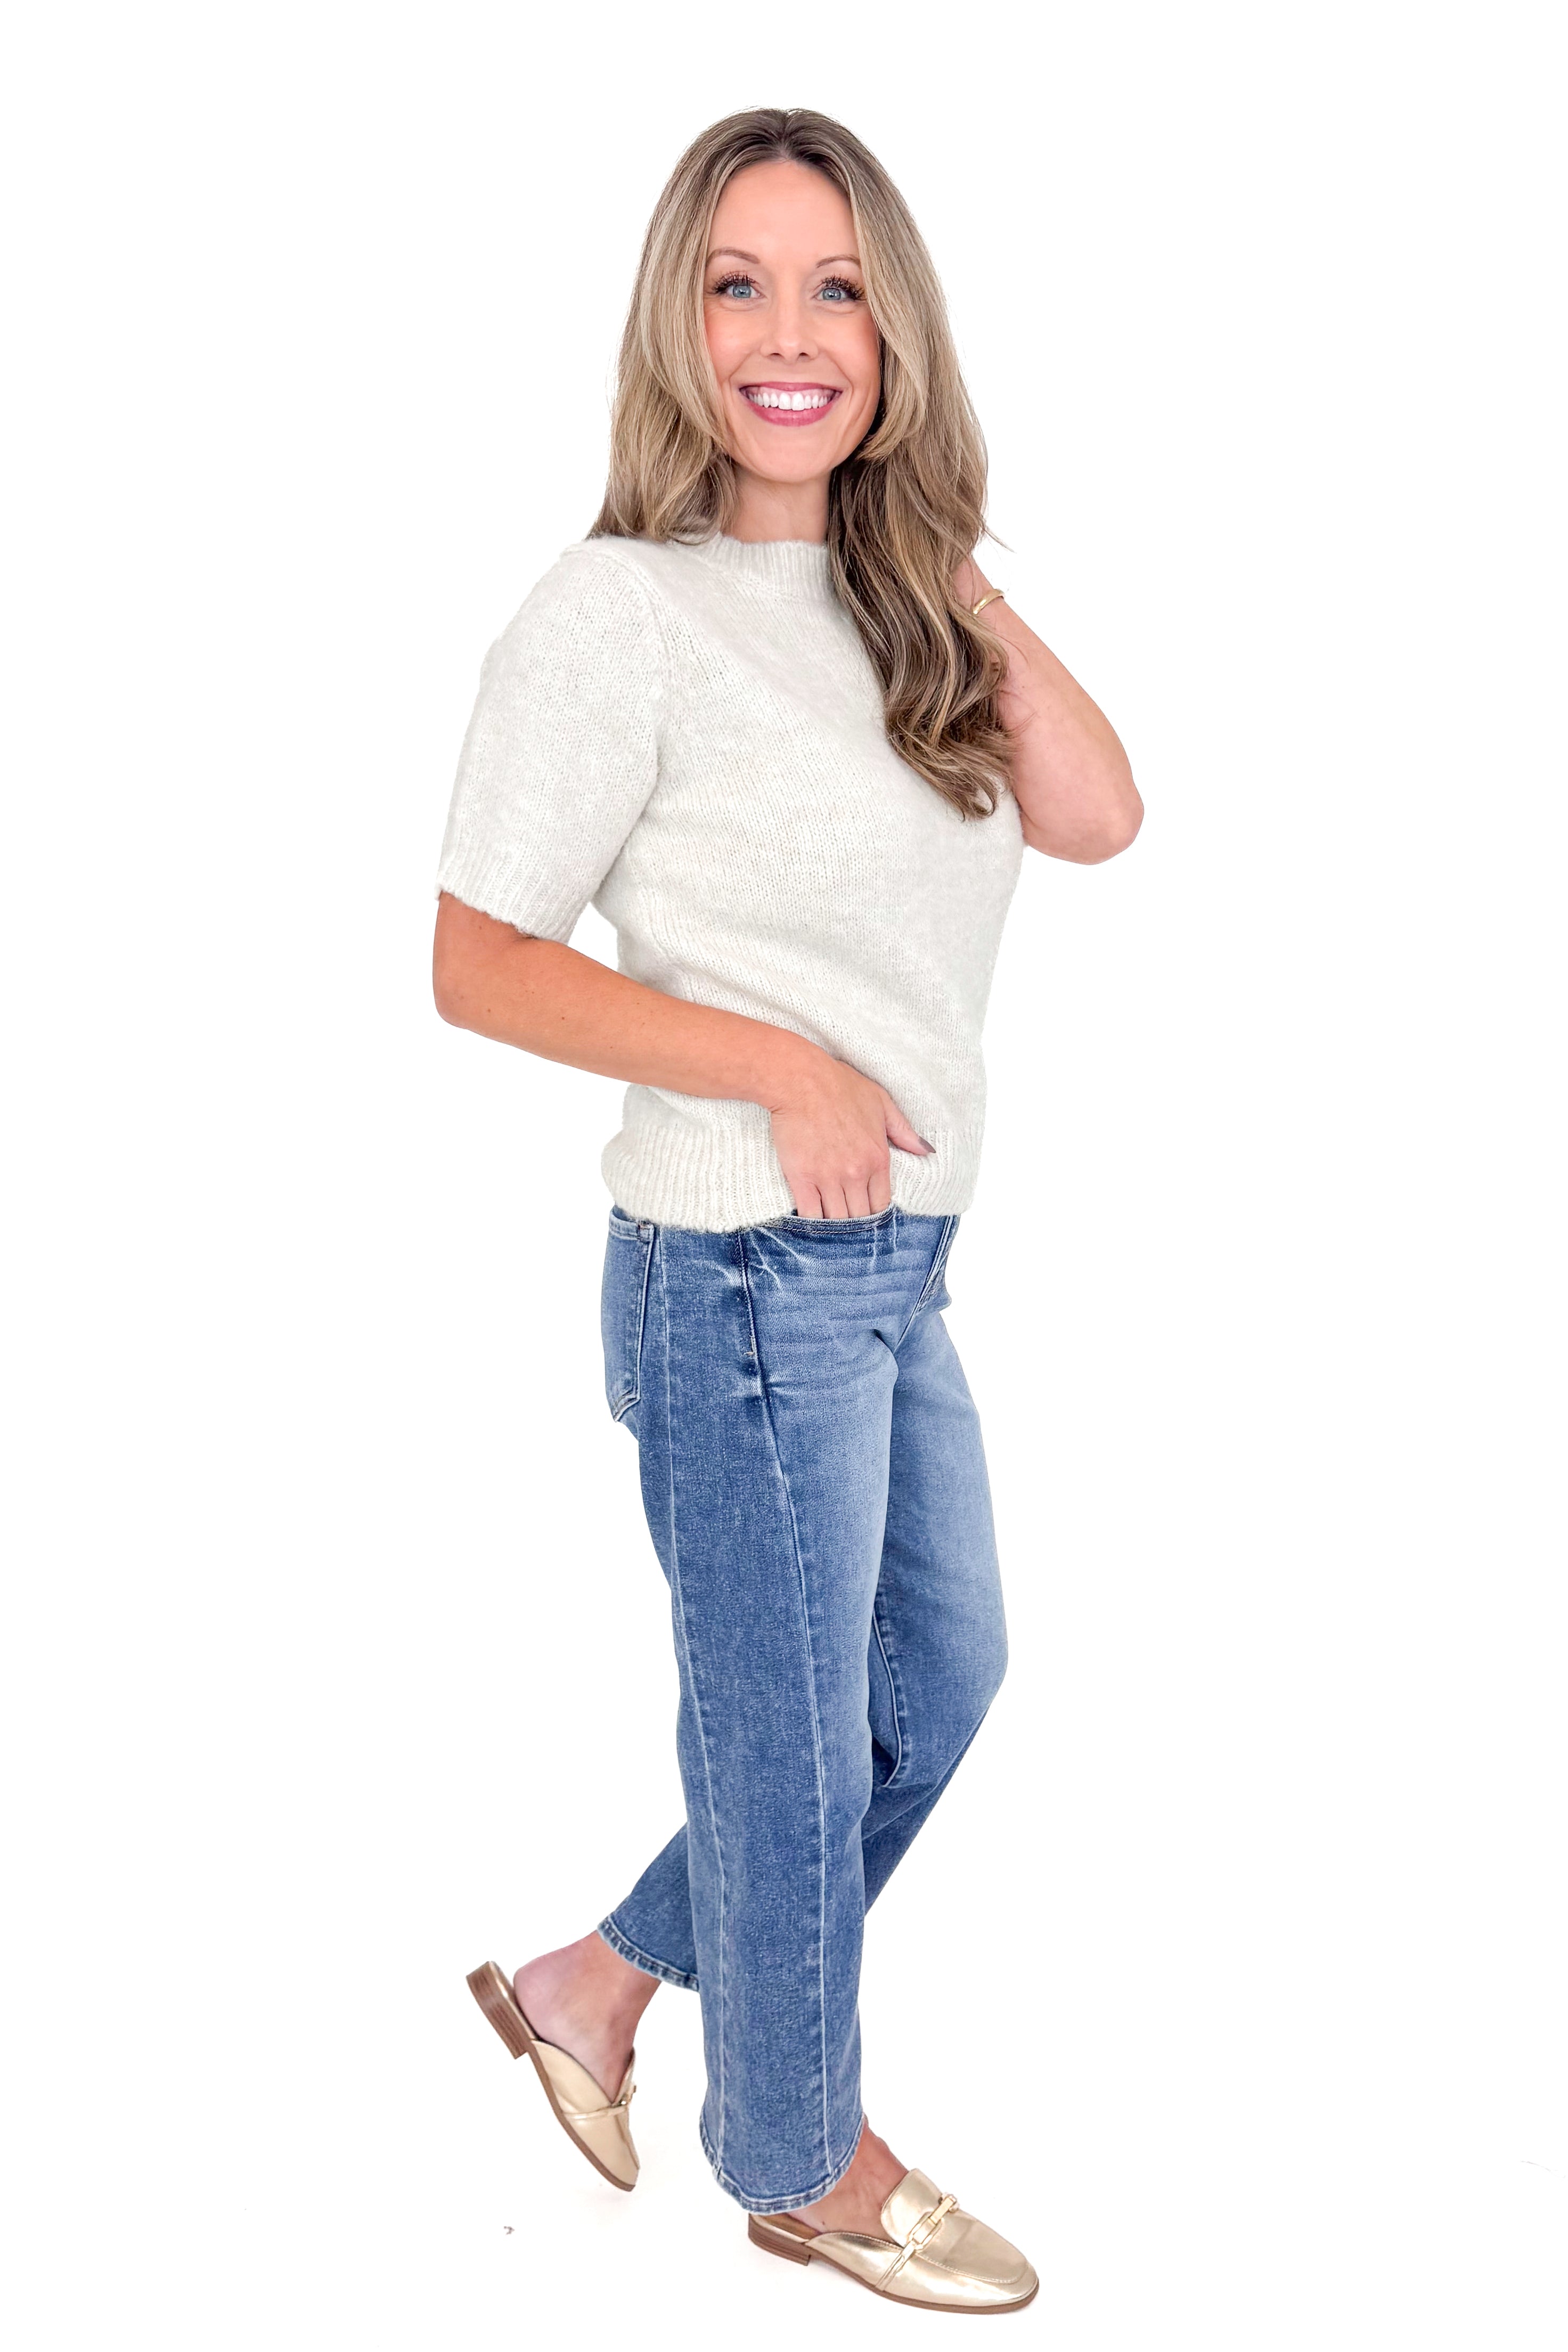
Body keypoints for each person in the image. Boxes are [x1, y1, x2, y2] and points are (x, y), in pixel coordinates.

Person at [434, 107, 1140, 2316]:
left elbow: (1100, 812)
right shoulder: (616, 613)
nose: (787, 334)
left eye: (837, 288)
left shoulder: (898, 613)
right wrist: (777, 1063)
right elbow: (476, 960)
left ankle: (592, 1985)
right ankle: (804, 2156)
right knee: (788, 1741)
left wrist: (933, 555)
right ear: (679, 322)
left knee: (932, 1682)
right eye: (737, 285)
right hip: (738, 1267)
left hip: (893, 1267)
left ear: (894, 331)